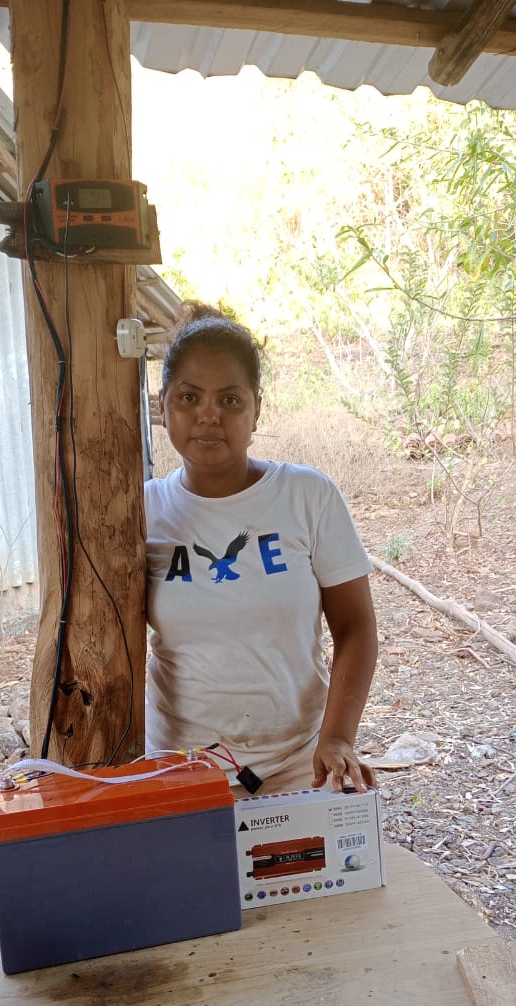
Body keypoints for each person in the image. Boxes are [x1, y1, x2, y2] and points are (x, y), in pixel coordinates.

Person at [144, 304, 378, 797]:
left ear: (257, 408)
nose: (209, 416)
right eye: (189, 397)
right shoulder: (142, 512)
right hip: (182, 771)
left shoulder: (306, 496)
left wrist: (337, 738)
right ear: (162, 406)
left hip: (304, 763)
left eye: (230, 400)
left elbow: (355, 628)